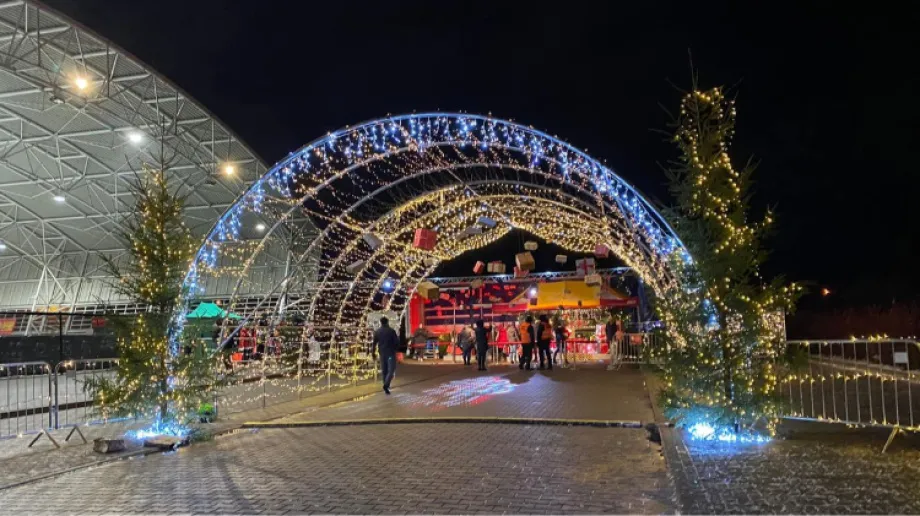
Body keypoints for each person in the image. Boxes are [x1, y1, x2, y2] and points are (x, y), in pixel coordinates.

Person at [372, 317, 400, 394]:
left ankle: (386, 386)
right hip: (390, 353)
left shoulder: (377, 332)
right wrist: (395, 349)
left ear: (381, 323)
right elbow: (397, 342)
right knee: (391, 370)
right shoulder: (391, 331)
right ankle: (386, 385)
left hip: (382, 353)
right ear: (387, 322)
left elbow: (374, 344)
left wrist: (373, 353)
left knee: (384, 371)